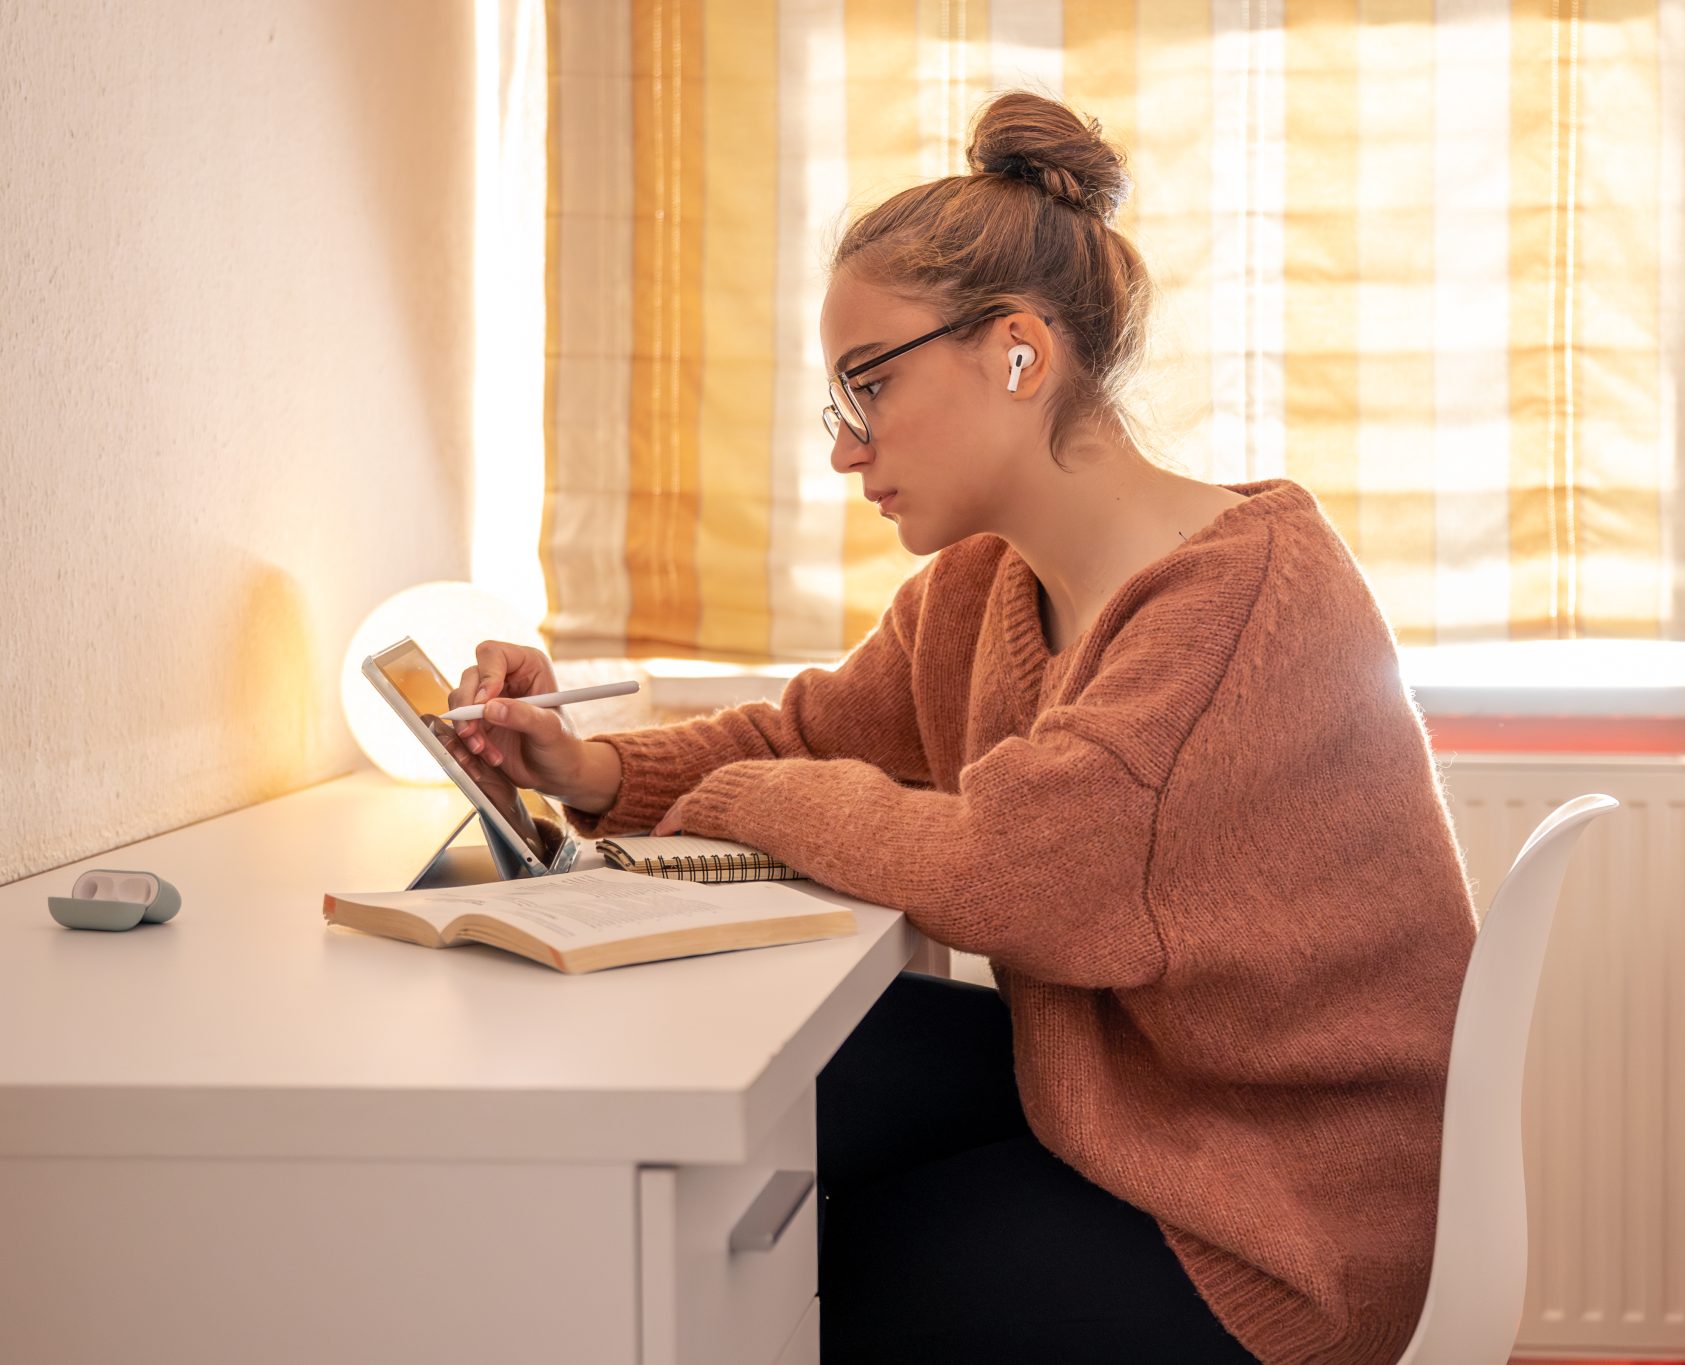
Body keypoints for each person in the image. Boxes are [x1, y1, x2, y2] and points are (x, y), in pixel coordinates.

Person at [446, 90, 1479, 1365]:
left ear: (1016, 353)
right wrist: (592, 766)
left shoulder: (1239, 597)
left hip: (1279, 1210)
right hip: (1139, 1095)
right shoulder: (983, 587)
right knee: (754, 1135)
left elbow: (1014, 873)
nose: (843, 449)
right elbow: (812, 735)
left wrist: (726, 805)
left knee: (790, 1274)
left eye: (864, 385)